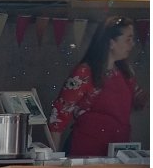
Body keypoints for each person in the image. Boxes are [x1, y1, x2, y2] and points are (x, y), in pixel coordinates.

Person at [49, 16, 147, 157]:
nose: (132, 45)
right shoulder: (84, 73)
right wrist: (53, 162)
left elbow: (141, 101)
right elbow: (58, 118)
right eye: (128, 39)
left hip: (120, 153)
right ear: (111, 43)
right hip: (86, 153)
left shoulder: (125, 73)